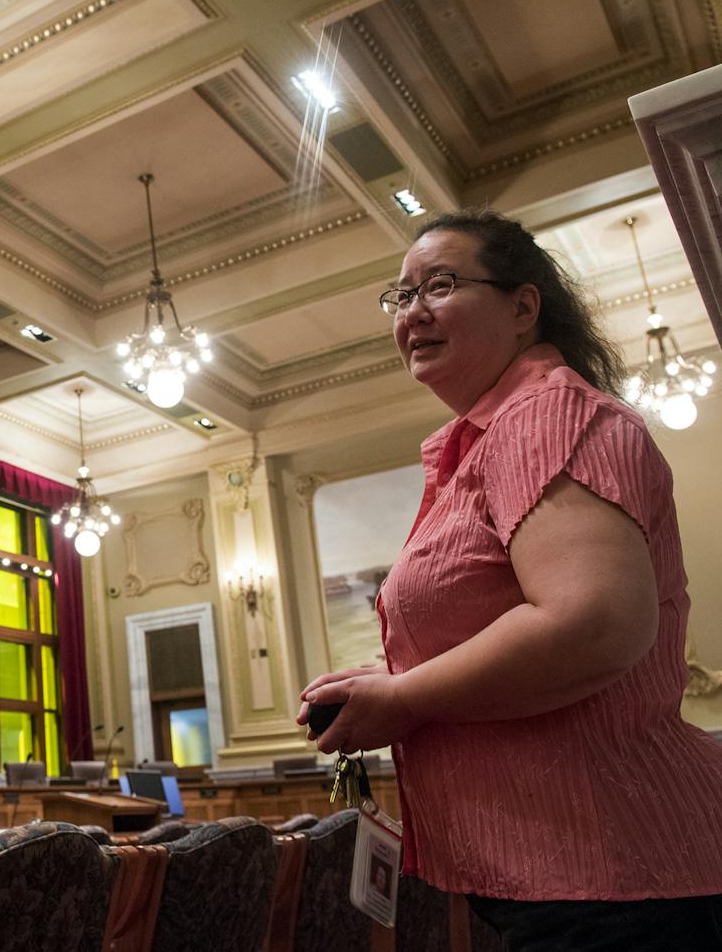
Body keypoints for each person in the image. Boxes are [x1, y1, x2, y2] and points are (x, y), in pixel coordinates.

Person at [296, 210, 722, 950]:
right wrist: (393, 675)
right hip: (574, 874)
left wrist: (400, 696)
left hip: (610, 872)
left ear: (524, 306)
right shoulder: (486, 440)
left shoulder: (546, 412)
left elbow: (591, 623)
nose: (412, 312)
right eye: (400, 297)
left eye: (441, 284)